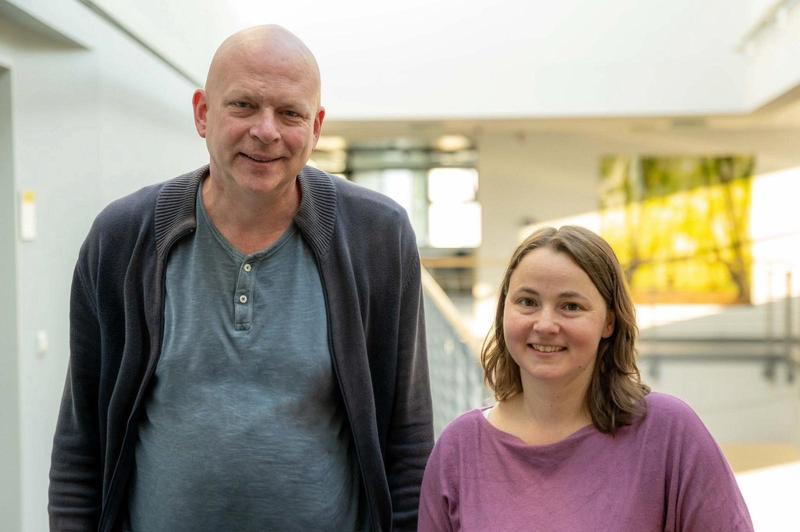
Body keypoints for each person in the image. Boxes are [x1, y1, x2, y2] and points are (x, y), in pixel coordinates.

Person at [49, 25, 433, 532]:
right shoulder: (122, 238)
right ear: (203, 113)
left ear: (316, 127)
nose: (267, 131)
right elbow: (81, 446)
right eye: (244, 106)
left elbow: (407, 441)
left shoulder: (376, 237)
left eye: (290, 113)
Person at [418, 226, 753, 531]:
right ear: (504, 310)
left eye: (571, 307)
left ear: (609, 322)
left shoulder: (669, 433)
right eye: (527, 302)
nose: (546, 324)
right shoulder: (458, 449)